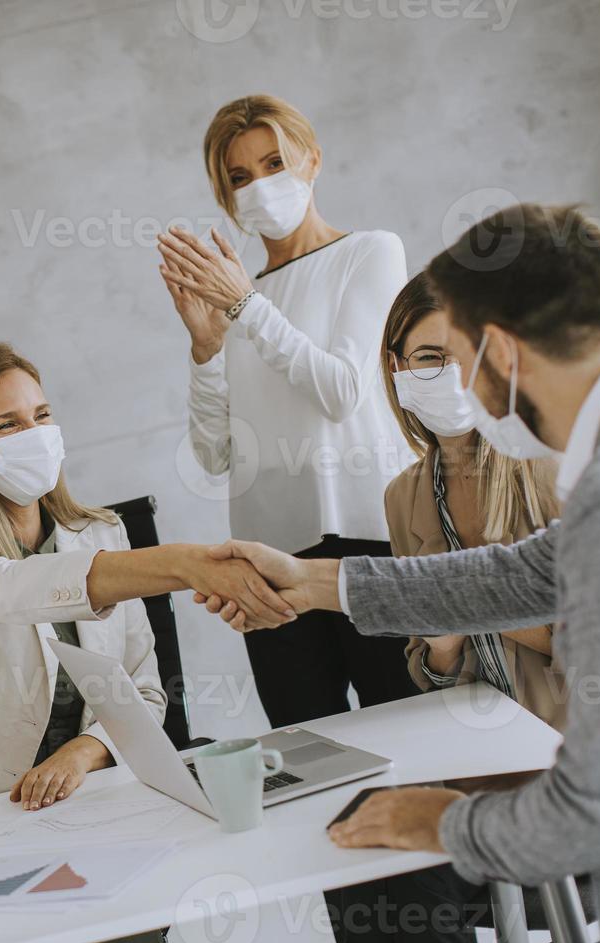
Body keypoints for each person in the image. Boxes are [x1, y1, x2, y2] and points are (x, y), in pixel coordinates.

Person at [200, 204, 600, 943]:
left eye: (456, 359)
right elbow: (523, 574)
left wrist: (446, 823)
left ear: (496, 350)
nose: (460, 389)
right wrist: (317, 583)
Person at [0, 343, 289, 943]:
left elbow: (145, 693)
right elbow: (8, 589)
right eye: (8, 425)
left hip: (87, 809)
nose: (34, 435)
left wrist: (84, 752)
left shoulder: (100, 533)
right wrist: (177, 565)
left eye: (42, 415)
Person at [158, 93, 418, 730]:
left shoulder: (370, 253)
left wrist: (246, 306)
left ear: (313, 161)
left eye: (275, 163)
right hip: (267, 566)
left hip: (371, 544)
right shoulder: (237, 295)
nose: (260, 187)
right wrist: (206, 347)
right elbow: (217, 455)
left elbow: (342, 392)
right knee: (314, 749)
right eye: (240, 177)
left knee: (413, 730)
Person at [336, 272, 565, 943]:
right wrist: (440, 642)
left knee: (417, 870)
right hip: (477, 759)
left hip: (567, 756)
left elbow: (591, 641)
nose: (448, 373)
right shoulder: (405, 496)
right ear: (397, 370)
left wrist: (463, 598)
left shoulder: (550, 464)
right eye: (427, 358)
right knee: (355, 845)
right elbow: (427, 668)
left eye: (462, 351)